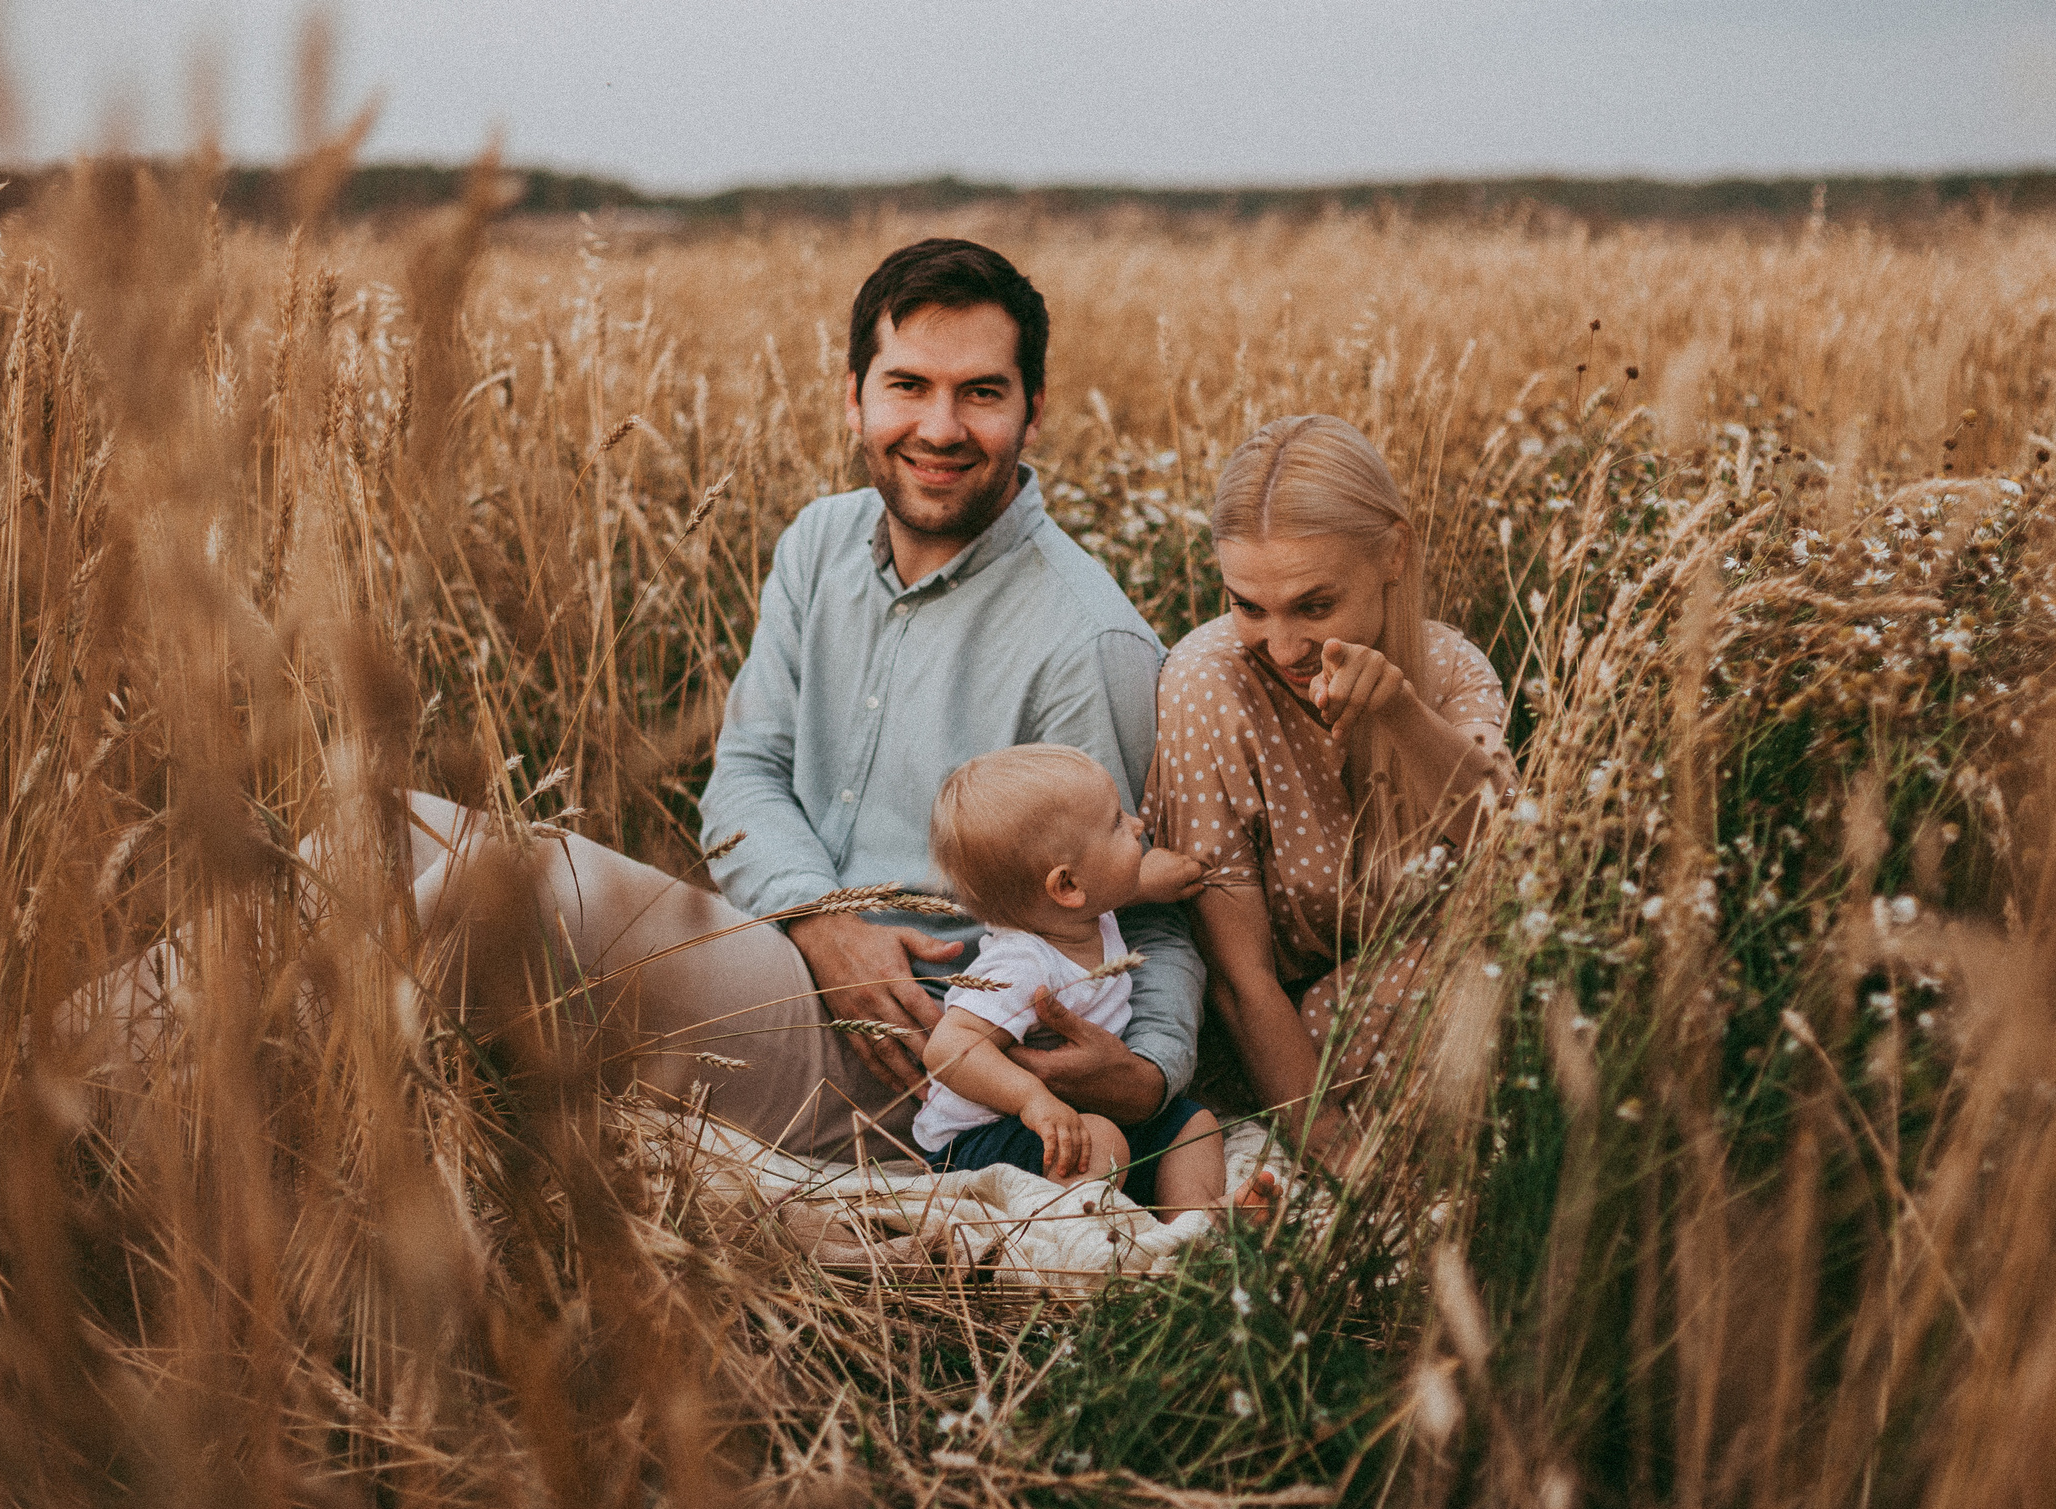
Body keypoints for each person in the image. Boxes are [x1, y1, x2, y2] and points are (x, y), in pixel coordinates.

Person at [414, 240, 1204, 1156]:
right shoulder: (819, 544)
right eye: (908, 385)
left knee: (510, 877)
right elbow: (747, 772)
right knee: (375, 832)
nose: (941, 427)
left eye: (981, 393)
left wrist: (1148, 1077)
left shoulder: (1084, 639)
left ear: (1032, 416)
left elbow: (1142, 909)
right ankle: (232, 1092)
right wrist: (820, 923)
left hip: (914, 1067)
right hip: (777, 951)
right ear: (854, 398)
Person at [1144, 415, 1514, 1158]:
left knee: (1491, 963)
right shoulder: (1208, 680)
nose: (1281, 647)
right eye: (1248, 605)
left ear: (1394, 554)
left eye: (1314, 606)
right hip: (1266, 1056)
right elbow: (1237, 979)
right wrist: (1338, 1151)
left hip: (1406, 1021)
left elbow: (1512, 855)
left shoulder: (1450, 670)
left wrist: (1401, 714)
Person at [911, 745, 1267, 1220]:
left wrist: (1148, 883)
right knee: (1101, 1141)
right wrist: (1032, 1100)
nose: (1138, 823)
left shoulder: (1083, 917)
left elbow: (1104, 892)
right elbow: (946, 1049)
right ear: (1067, 887)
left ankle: (1194, 1222)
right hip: (977, 1141)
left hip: (1066, 1124)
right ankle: (1104, 1247)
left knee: (1194, 1124)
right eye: (1117, 824)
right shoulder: (1022, 964)